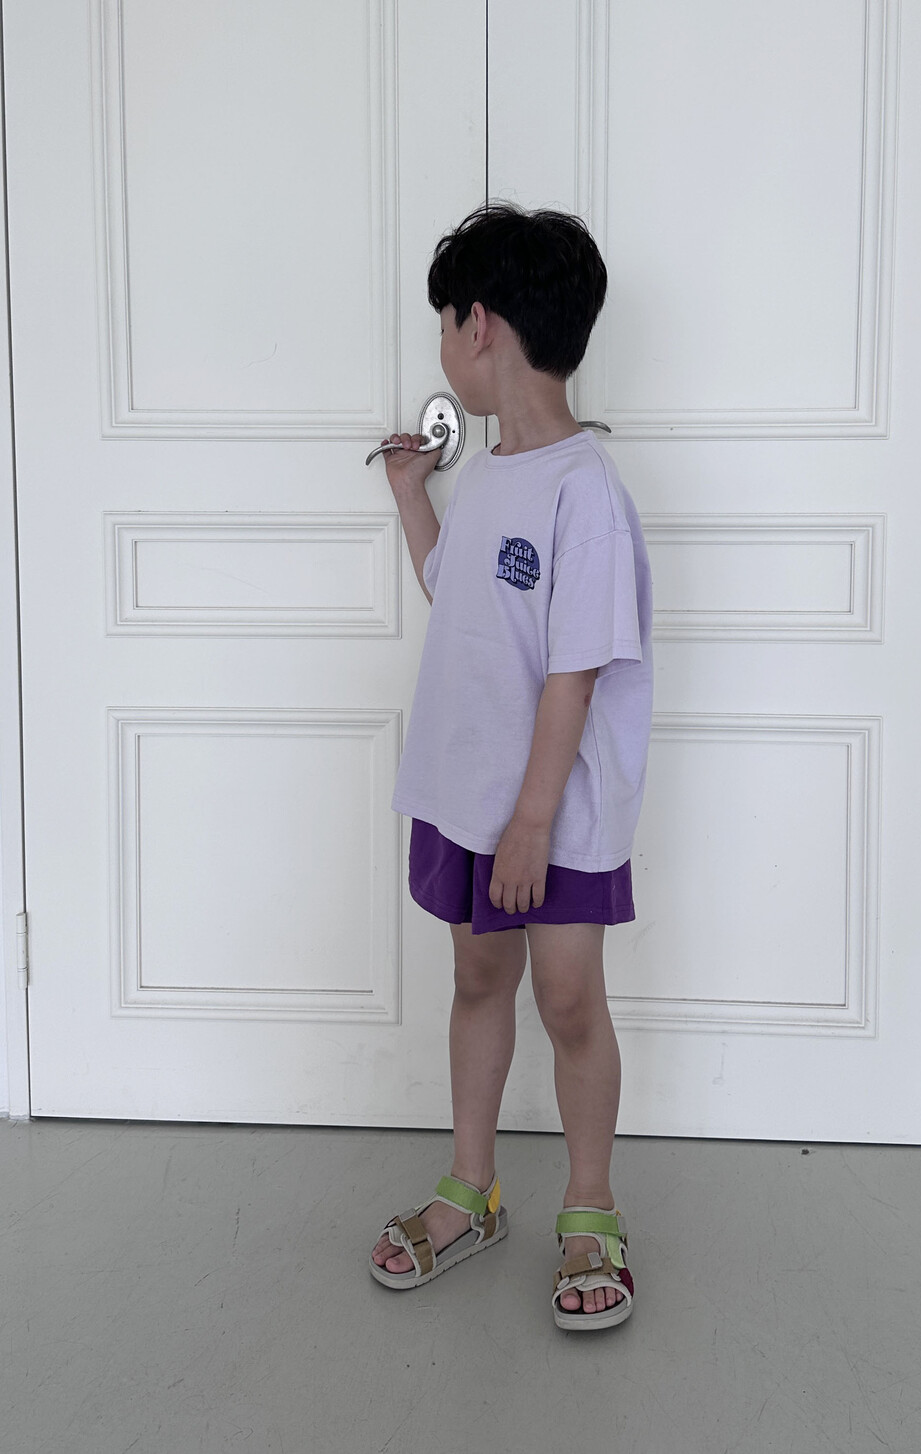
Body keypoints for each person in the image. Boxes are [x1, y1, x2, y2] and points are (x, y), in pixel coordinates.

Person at [368, 202, 653, 1331]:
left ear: (478, 324)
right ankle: (473, 1188)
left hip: (553, 813)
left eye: (444, 324)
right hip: (468, 793)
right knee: (479, 980)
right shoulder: (486, 475)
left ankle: (591, 1205)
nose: (444, 346)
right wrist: (413, 498)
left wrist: (533, 821)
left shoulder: (588, 493)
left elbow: (574, 673)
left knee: (569, 997)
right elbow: (459, 597)